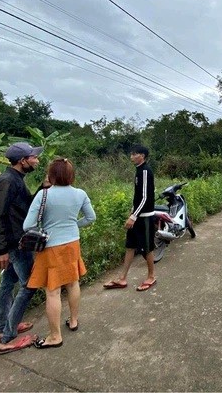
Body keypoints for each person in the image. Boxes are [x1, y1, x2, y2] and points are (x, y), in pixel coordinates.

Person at [23, 158, 96, 349]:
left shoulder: (43, 196)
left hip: (51, 247)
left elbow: (27, 225)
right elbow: (91, 217)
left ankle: (55, 336)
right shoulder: (80, 194)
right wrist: (73, 225)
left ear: (51, 175)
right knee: (73, 282)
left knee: (53, 291)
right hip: (72, 243)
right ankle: (73, 321)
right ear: (71, 175)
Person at [0, 142, 43, 354]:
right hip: (15, 243)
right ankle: (8, 339)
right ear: (23, 161)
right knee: (30, 285)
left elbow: (25, 207)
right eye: (33, 157)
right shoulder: (7, 182)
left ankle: (3, 327)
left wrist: (42, 188)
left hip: (16, 240)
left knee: (8, 282)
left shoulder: (16, 179)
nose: (36, 160)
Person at [103, 145, 156, 292]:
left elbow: (145, 197)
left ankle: (151, 276)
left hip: (145, 217)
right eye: (131, 154)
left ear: (143, 156)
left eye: (135, 154)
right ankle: (122, 278)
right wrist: (132, 212)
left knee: (147, 248)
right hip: (137, 215)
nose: (131, 156)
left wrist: (133, 216)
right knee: (130, 246)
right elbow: (137, 197)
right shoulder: (138, 170)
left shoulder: (145, 171)